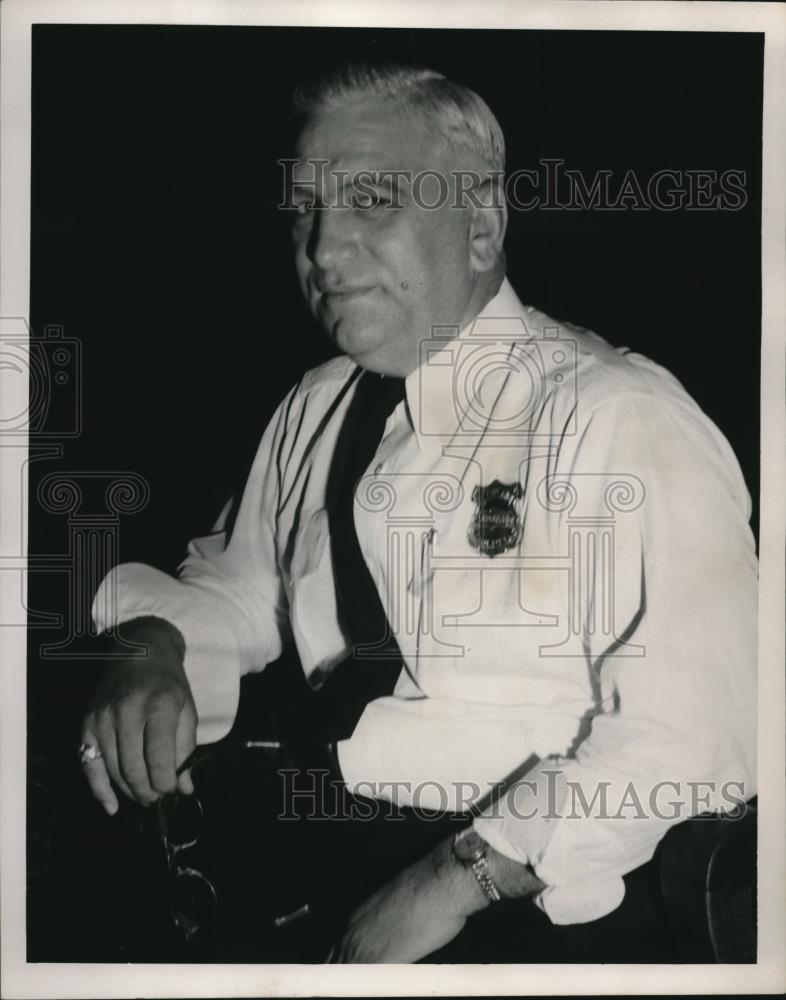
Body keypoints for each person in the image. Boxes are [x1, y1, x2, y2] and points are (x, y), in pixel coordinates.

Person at [80, 63, 757, 963]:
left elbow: (700, 741)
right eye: (304, 213)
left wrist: (454, 882)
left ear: (480, 226)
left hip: (534, 914)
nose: (322, 251)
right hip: (324, 871)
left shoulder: (615, 416)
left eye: (370, 201)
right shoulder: (314, 408)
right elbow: (242, 593)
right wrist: (153, 647)